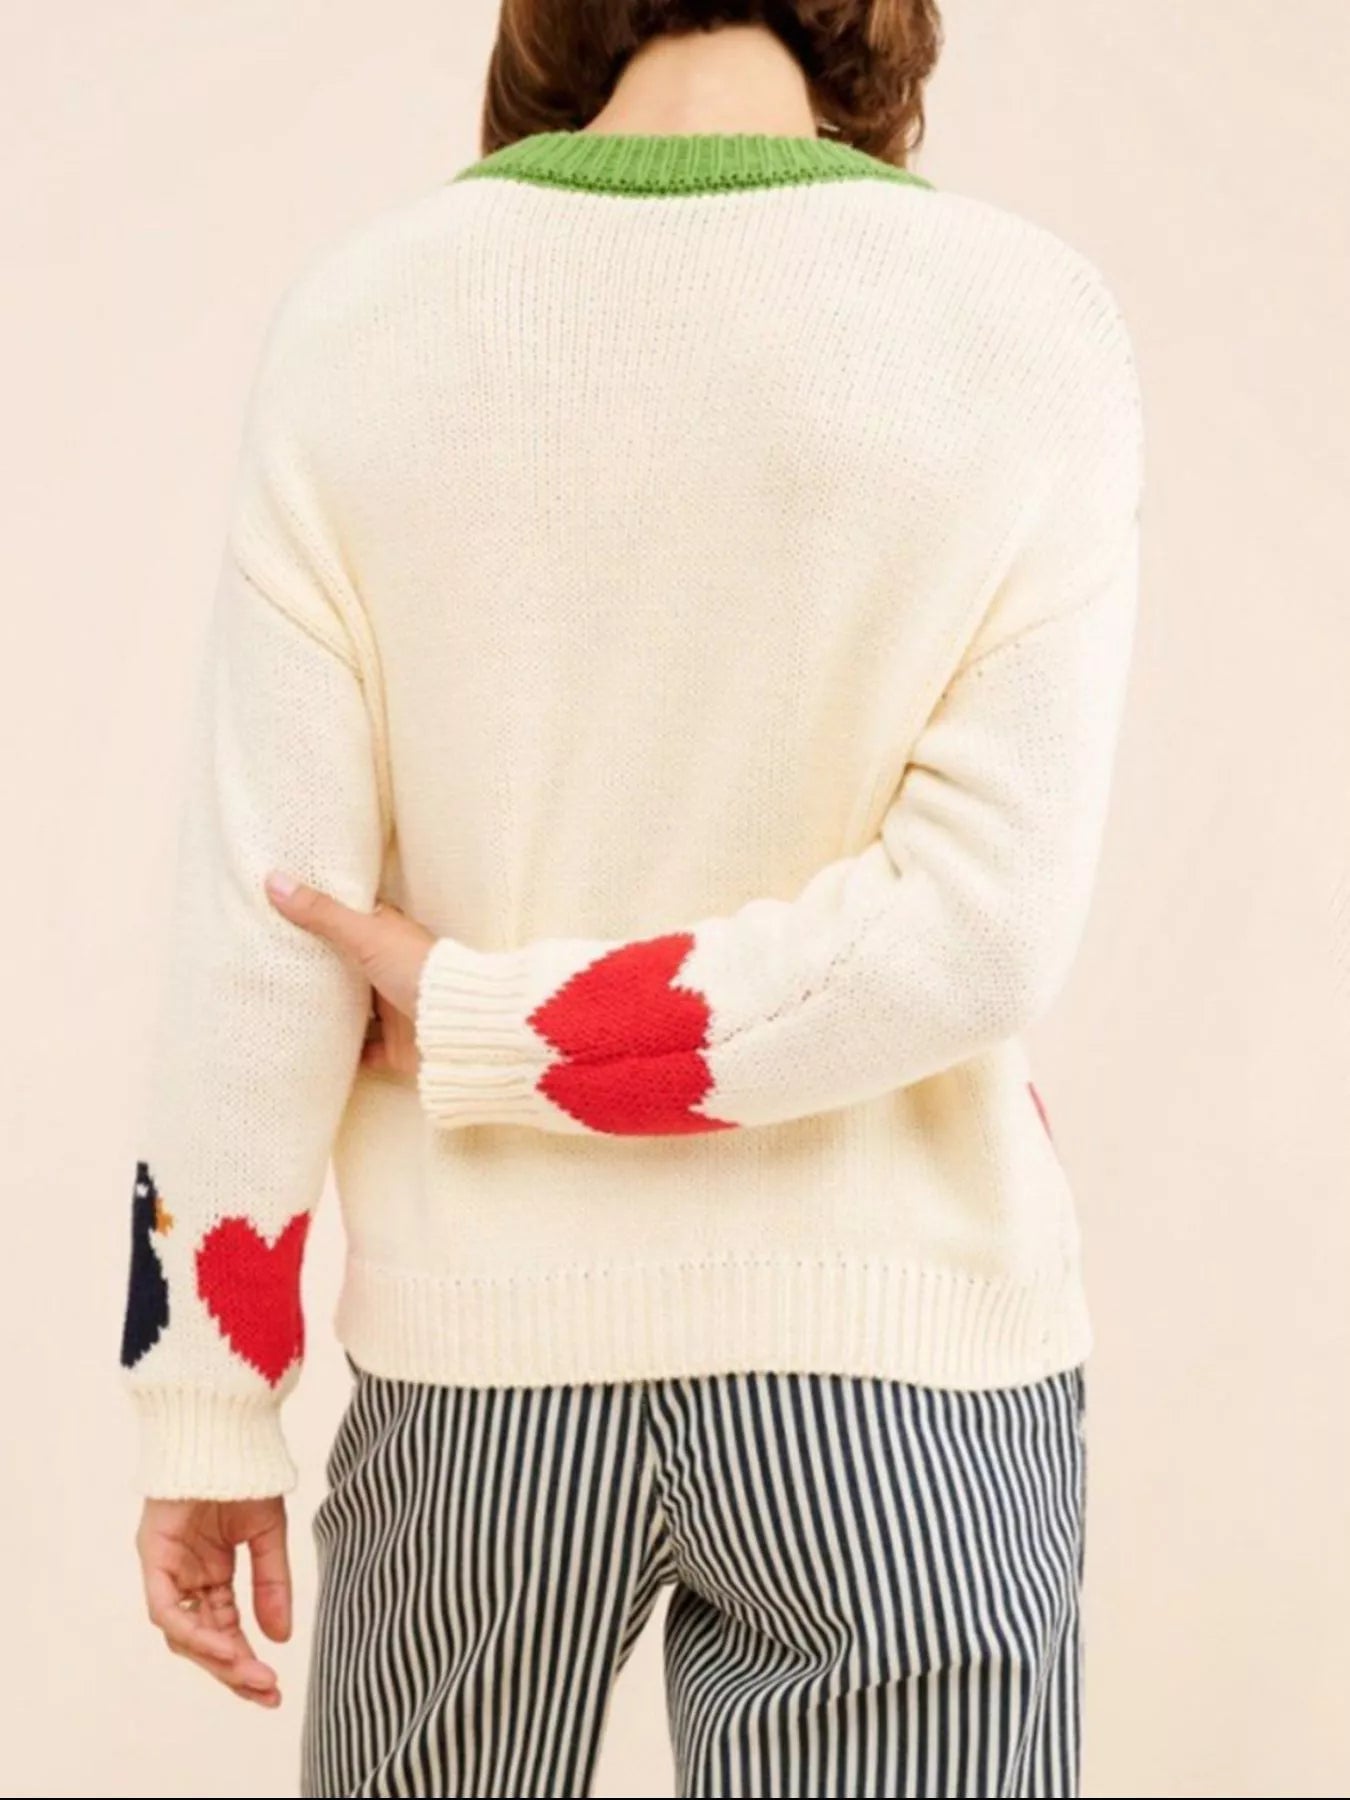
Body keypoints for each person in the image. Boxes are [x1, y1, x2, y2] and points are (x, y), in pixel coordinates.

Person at [121, 3, 1142, 1794]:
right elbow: (977, 931)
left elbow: (264, 927)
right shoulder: (1024, 316)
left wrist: (206, 1404)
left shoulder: (360, 319)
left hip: (477, 1375)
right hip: (903, 1370)